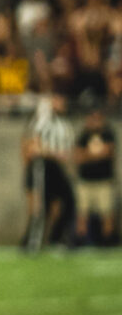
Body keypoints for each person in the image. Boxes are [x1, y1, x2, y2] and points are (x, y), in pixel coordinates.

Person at [24, 93, 77, 252]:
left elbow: (68, 148)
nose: (61, 103)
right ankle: (31, 243)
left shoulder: (65, 123)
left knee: (68, 201)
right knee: (41, 207)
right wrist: (53, 154)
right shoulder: (43, 121)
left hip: (57, 166)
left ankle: (56, 238)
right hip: (43, 165)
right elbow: (33, 147)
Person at [74, 99, 115, 247]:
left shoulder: (108, 133)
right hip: (85, 180)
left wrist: (89, 155)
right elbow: (78, 157)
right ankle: (81, 242)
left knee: (107, 213)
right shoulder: (83, 135)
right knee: (82, 214)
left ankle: (107, 242)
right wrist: (95, 154)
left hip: (104, 181)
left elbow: (109, 152)